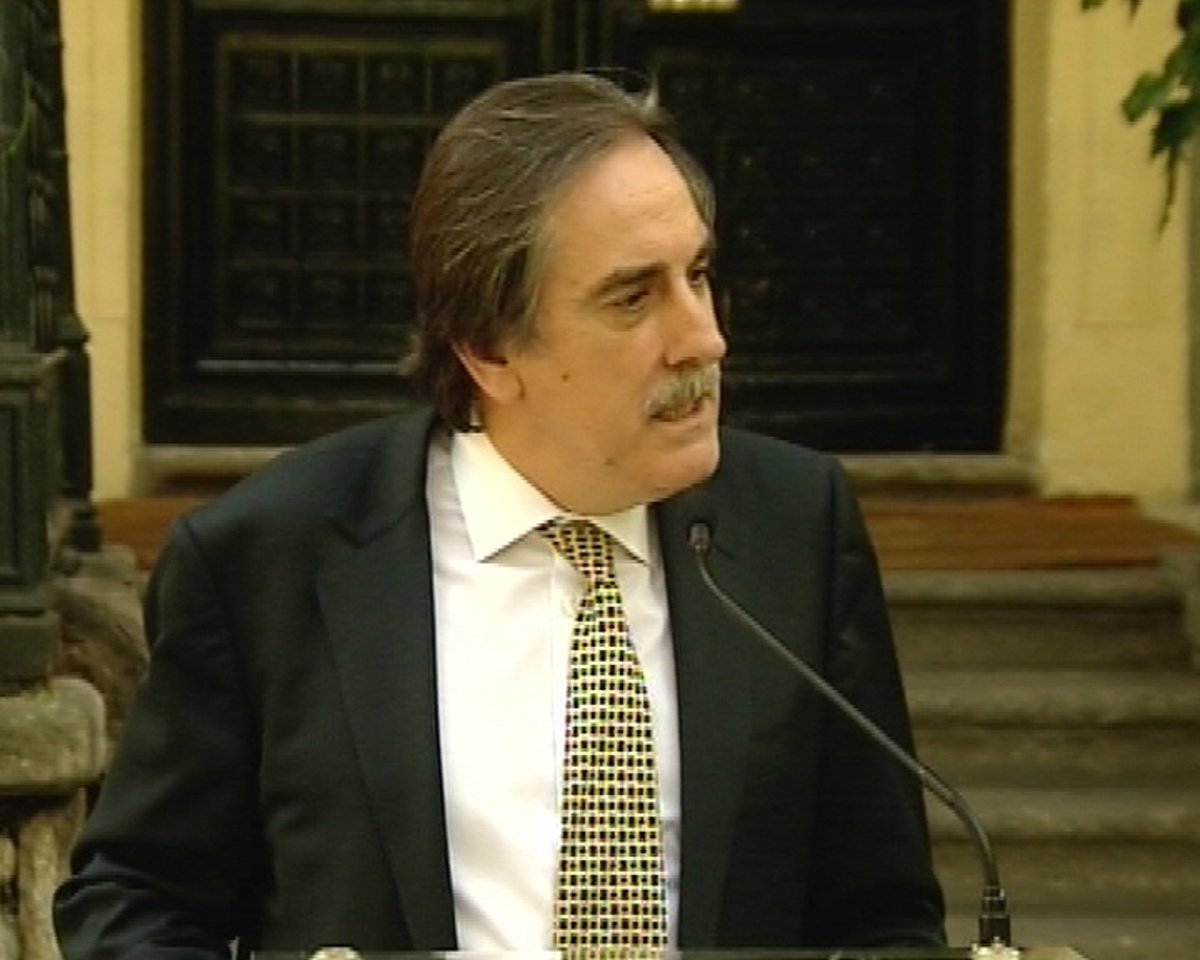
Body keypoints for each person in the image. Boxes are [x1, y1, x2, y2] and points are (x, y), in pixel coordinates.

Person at [54, 72, 945, 957]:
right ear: (488, 349)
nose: (704, 338)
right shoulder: (270, 555)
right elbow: (136, 900)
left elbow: (885, 918)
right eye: (633, 298)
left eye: (699, 275)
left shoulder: (796, 526)